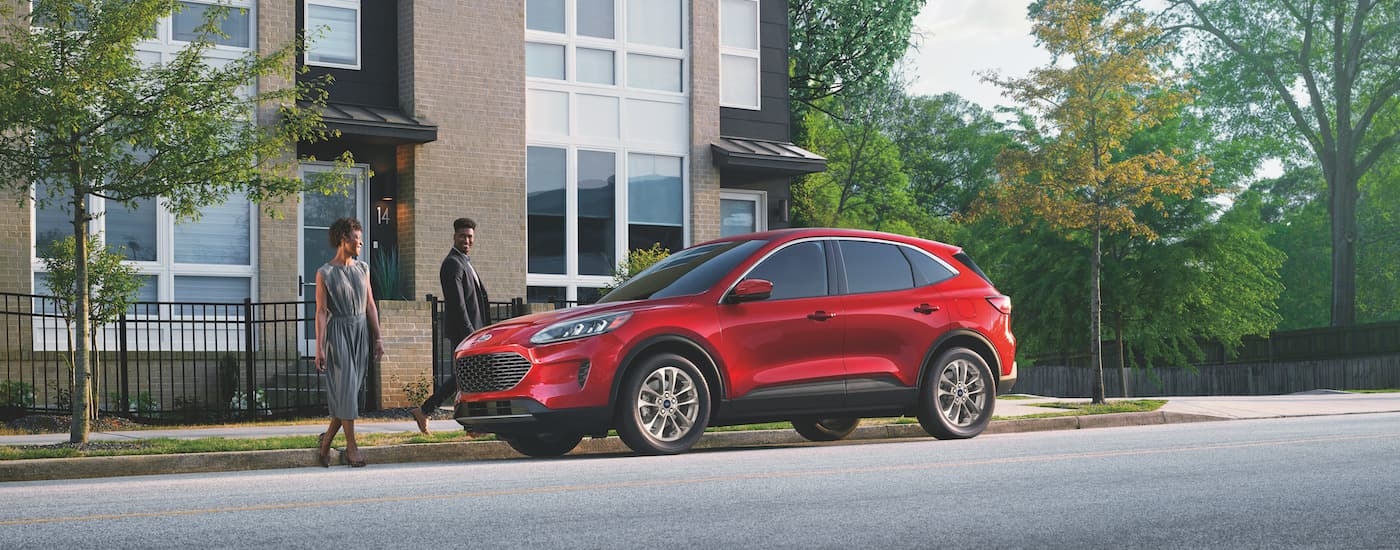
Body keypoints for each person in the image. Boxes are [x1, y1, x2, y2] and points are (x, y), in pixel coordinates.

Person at [314, 217, 384, 467]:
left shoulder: (363, 269)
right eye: (357, 239)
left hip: (360, 332)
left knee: (349, 394)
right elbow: (321, 312)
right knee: (346, 391)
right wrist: (319, 346)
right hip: (339, 334)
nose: (360, 243)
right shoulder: (325, 273)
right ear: (344, 239)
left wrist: (378, 337)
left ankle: (326, 443)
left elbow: (370, 305)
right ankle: (352, 447)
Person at [411, 217, 490, 435]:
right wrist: (470, 336)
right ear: (454, 236)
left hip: (474, 331)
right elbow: (457, 305)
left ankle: (428, 412)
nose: (467, 240)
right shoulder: (452, 264)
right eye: (463, 236)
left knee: (467, 379)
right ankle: (466, 424)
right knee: (466, 378)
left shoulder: (465, 262)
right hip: (464, 332)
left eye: (470, 236)